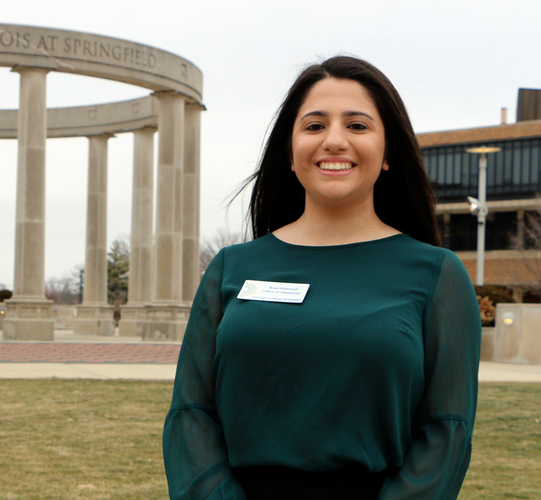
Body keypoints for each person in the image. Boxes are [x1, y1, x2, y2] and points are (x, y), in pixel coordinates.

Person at [162, 56, 481, 500]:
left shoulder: (437, 275)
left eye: (357, 125)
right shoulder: (230, 269)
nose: (334, 140)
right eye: (314, 126)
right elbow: (191, 414)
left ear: (388, 153)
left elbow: (446, 433)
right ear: (290, 154)